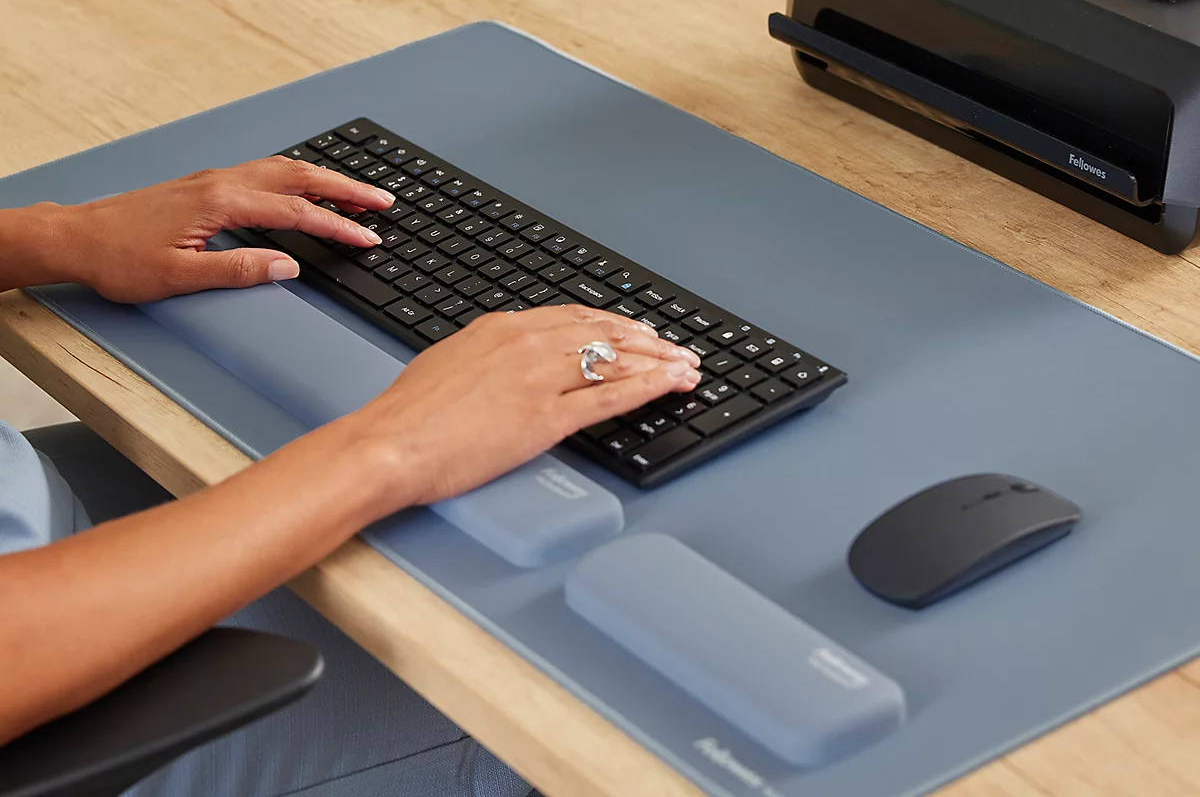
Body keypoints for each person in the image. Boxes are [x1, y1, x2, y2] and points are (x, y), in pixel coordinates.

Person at [0, 157, 702, 796]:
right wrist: (395, 445)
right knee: (625, 682)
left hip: (32, 515)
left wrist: (56, 236)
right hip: (56, 699)